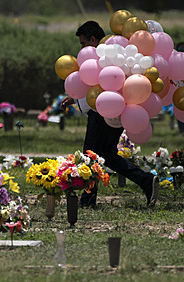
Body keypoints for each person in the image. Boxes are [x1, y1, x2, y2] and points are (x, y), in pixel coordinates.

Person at [61, 21, 159, 208]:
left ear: (92, 39)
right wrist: (75, 99)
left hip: (101, 114)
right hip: (116, 113)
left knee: (90, 155)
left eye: (83, 43)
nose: (81, 48)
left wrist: (80, 100)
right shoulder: (115, 53)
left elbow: (98, 89)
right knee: (107, 155)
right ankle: (146, 180)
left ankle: (88, 200)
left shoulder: (100, 57)